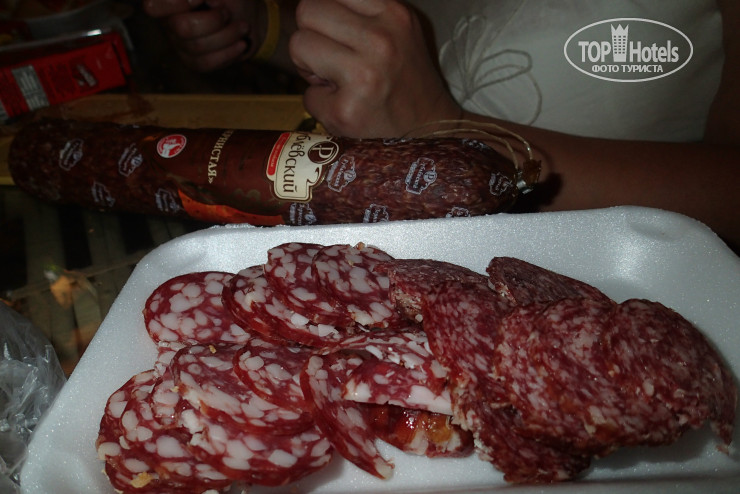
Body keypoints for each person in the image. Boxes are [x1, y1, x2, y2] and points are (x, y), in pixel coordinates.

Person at [142, 0, 739, 250]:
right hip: (346, 225)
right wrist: (262, 26)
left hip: (570, 277)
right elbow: (406, 52)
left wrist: (445, 132)